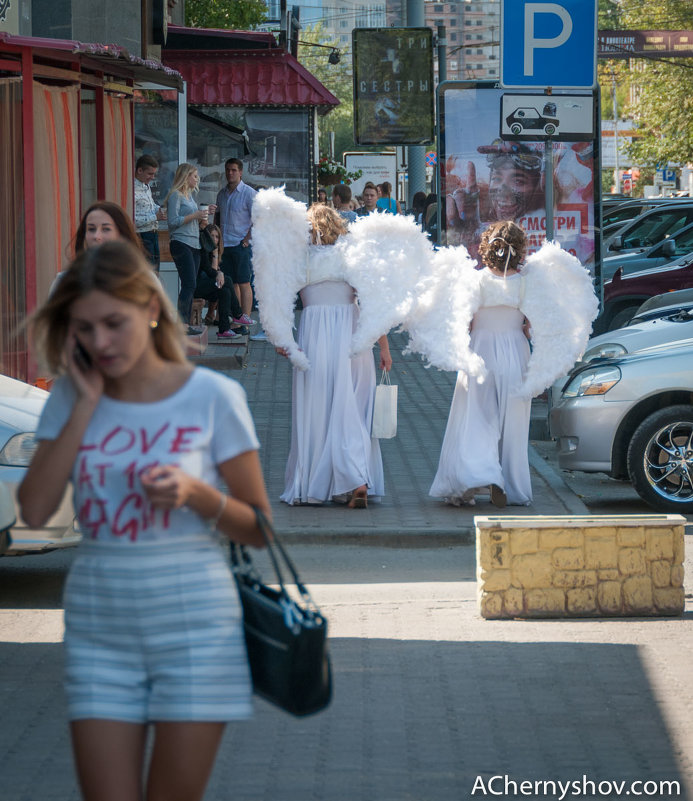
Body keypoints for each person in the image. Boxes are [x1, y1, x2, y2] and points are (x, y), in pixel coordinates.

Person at [18, 239, 271, 801]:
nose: (99, 342)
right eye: (84, 329)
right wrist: (85, 404)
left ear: (152, 309)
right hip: (100, 627)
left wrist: (196, 494)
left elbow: (259, 526)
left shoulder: (212, 396)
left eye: (113, 323)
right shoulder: (70, 396)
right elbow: (33, 512)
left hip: (197, 629)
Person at [252, 189, 433, 508]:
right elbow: (372, 304)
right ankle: (356, 478)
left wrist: (282, 338)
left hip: (314, 338)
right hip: (352, 338)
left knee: (320, 408)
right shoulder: (352, 258)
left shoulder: (301, 259)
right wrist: (384, 349)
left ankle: (332, 481)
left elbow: (277, 297)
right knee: (353, 408)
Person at [405, 220, 598, 507]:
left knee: (477, 418)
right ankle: (513, 485)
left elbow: (465, 322)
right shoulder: (526, 283)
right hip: (516, 354)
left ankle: (480, 476)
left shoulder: (476, 281)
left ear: (487, 248)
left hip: (481, 352)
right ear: (520, 251)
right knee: (513, 424)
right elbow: (531, 326)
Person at [166, 163, 215, 336]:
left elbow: (194, 222)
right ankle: (182, 324)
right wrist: (195, 216)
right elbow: (172, 222)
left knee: (191, 285)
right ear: (185, 177)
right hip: (181, 243)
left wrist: (204, 216)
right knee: (189, 284)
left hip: (194, 244)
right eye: (194, 175)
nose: (197, 179)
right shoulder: (176, 195)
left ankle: (184, 323)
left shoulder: (190, 198)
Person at [215, 158, 257, 328]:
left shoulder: (249, 193)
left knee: (244, 282)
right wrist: (216, 239)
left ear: (240, 172)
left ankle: (244, 320)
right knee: (231, 284)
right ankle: (237, 320)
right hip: (225, 245)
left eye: (233, 170)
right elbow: (217, 217)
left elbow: (259, 219)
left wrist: (247, 239)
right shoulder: (222, 194)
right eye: (227, 170)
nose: (230, 173)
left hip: (241, 245)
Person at [195, 224, 245, 339]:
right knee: (227, 280)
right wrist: (219, 273)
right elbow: (209, 271)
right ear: (206, 236)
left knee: (225, 291)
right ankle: (238, 314)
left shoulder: (213, 253)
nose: (214, 239)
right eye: (211, 235)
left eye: (217, 237)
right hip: (196, 287)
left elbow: (214, 273)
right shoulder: (202, 250)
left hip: (207, 286)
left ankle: (224, 330)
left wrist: (215, 254)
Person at [134, 153, 167, 271]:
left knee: (155, 272)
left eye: (154, 174)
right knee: (148, 273)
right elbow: (132, 220)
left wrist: (159, 209)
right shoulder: (131, 189)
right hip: (142, 236)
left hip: (153, 234)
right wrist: (155, 216)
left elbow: (150, 205)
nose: (152, 177)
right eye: (150, 174)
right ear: (139, 170)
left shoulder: (146, 186)